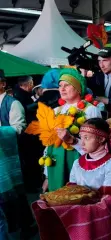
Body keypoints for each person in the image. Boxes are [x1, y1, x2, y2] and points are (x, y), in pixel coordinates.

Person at [43, 69, 102, 192]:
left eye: (67, 85)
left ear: (78, 88)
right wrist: (47, 175)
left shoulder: (90, 110)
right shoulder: (55, 111)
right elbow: (48, 145)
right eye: (60, 86)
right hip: (56, 165)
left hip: (78, 163)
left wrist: (73, 140)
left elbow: (97, 145)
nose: (62, 89)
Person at [0, 70, 36, 239]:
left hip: (11, 155)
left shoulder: (13, 103)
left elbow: (19, 128)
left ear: (2, 84)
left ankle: (24, 227)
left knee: (16, 193)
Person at [69, 118, 111, 199]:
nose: (82, 143)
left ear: (101, 139)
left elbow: (109, 197)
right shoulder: (77, 163)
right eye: (81, 137)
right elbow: (70, 191)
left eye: (87, 138)